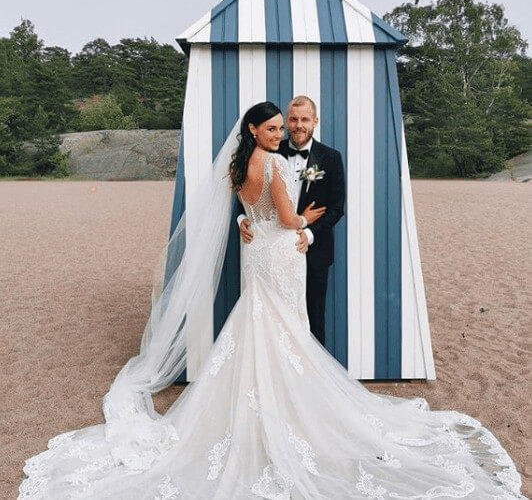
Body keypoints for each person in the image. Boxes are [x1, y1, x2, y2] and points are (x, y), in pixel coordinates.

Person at [18, 102, 525, 499]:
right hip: (280, 251)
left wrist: (249, 220)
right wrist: (304, 218)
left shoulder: (240, 165)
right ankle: (293, 410)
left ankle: (266, 404)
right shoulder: (278, 165)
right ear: (256, 131)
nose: (284, 133)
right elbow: (285, 219)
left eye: (287, 126)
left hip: (257, 254)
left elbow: (247, 210)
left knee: (264, 324)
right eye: (276, 128)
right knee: (285, 324)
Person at [237, 95, 345, 346]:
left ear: (315, 121)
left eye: (305, 119)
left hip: (314, 250)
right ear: (287, 120)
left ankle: (311, 380)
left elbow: (337, 208)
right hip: (270, 250)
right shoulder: (270, 149)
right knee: (270, 318)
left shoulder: (331, 158)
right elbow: (243, 194)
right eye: (293, 119)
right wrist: (242, 218)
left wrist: (307, 234)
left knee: (312, 317)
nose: (298, 125)